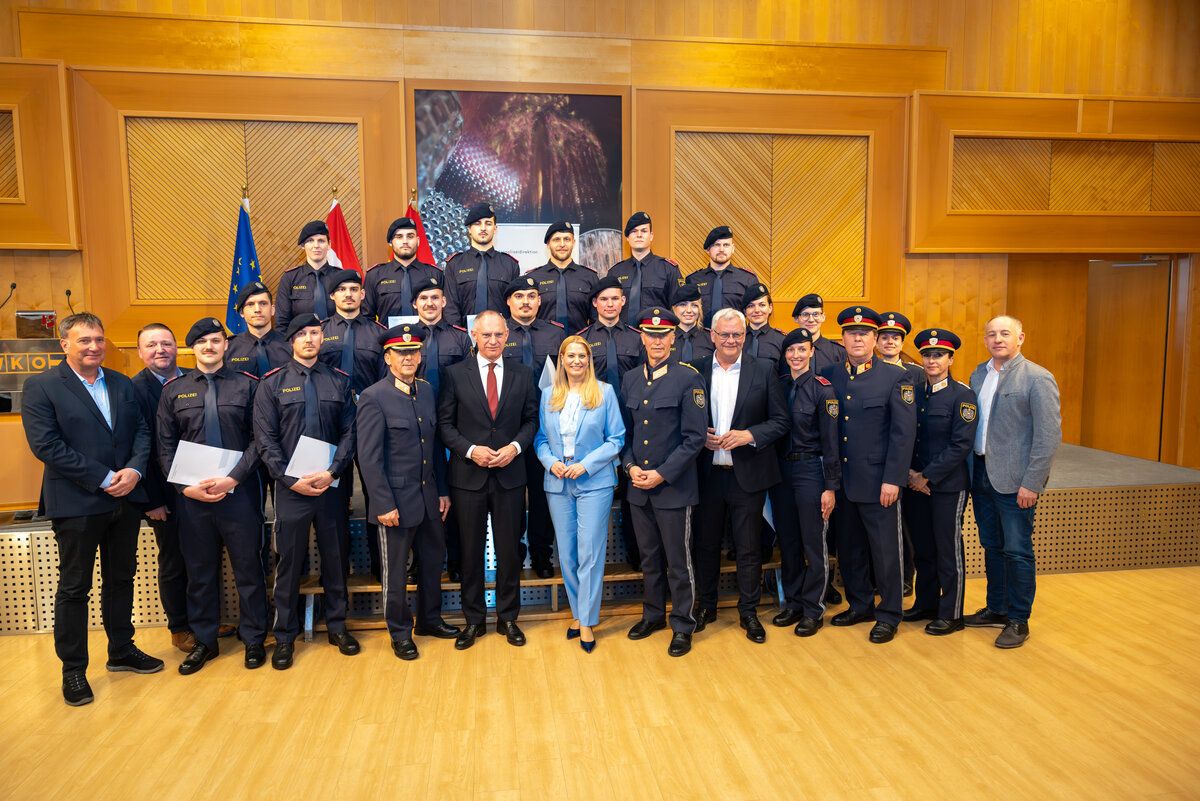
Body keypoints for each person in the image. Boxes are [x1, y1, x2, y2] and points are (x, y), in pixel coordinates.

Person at [21, 312, 161, 706]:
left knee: (121, 578)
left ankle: (122, 650)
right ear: (64, 344)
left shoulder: (120, 383)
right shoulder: (42, 386)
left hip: (125, 498)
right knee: (74, 588)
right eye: (84, 340)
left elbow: (142, 431)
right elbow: (46, 445)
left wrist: (134, 470)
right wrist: (104, 477)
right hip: (77, 502)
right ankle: (73, 670)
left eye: (98, 339)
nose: (94, 347)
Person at [156, 318, 268, 674]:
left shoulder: (248, 386)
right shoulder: (173, 391)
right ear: (192, 348)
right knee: (200, 572)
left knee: (249, 568)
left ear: (225, 345)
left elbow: (260, 440)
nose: (209, 347)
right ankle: (205, 640)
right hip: (192, 499)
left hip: (240, 494)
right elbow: (165, 446)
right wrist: (183, 487)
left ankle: (254, 638)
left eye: (216, 340)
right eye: (202, 342)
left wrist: (233, 478)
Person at [254, 313, 359, 669]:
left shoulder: (340, 381)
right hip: (292, 489)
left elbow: (350, 432)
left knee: (335, 558)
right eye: (302, 334)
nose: (310, 339)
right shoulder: (271, 384)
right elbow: (265, 439)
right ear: (291, 342)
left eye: (315, 333)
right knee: (288, 562)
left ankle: (338, 626)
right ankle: (285, 635)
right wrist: (288, 478)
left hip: (331, 486)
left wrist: (332, 472)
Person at [356, 324, 460, 661]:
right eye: (400, 353)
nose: (408, 358)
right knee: (396, 573)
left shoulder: (426, 391)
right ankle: (400, 632)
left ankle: (429, 620)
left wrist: (442, 491)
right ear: (388, 358)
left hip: (429, 499)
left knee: (432, 564)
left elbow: (435, 446)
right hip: (395, 504)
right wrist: (383, 503)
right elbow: (369, 458)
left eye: (413, 352)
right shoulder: (374, 397)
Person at [437, 310, 538, 650]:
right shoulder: (454, 374)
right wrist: (470, 450)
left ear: (507, 336)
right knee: (470, 552)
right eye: (486, 335)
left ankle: (508, 618)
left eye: (498, 335)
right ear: (474, 336)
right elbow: (445, 425)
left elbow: (531, 421)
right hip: (468, 478)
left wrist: (514, 448)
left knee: (509, 552)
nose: (493, 341)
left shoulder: (524, 374)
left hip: (510, 475)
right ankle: (474, 620)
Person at [690, 309, 789, 643]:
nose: (731, 340)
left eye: (737, 335)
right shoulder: (695, 370)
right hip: (707, 474)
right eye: (725, 334)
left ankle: (749, 612)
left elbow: (781, 421)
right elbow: (683, 418)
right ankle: (706, 607)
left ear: (745, 336)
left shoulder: (764, 369)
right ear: (712, 336)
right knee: (705, 545)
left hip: (748, 474)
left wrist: (749, 435)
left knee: (748, 548)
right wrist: (698, 437)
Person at [820, 306, 916, 644]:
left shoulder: (895, 377)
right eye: (851, 333)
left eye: (864, 333)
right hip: (843, 481)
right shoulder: (830, 374)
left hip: (879, 482)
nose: (857, 338)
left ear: (875, 339)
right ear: (842, 338)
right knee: (850, 549)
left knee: (886, 551)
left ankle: (889, 614)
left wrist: (894, 479)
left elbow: (903, 434)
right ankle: (860, 605)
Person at [965, 316, 1061, 649]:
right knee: (992, 545)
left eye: (1005, 333)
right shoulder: (978, 374)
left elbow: (1048, 436)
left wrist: (1032, 482)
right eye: (991, 334)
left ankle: (1019, 619)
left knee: (1017, 551)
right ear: (985, 340)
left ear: (1020, 338)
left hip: (1016, 481)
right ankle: (997, 608)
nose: (998, 339)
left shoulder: (1037, 377)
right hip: (981, 474)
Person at [620, 307, 707, 657]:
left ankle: (683, 624)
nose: (657, 341)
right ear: (642, 337)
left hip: (673, 488)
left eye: (663, 335)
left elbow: (694, 438)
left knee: (678, 562)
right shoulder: (630, 378)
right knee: (649, 558)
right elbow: (626, 434)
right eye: (651, 335)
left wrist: (662, 473)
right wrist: (630, 468)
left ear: (673, 338)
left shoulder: (688, 378)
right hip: (638, 487)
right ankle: (653, 615)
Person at [534, 336, 625, 652]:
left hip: (594, 482)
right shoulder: (549, 394)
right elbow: (540, 439)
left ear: (589, 360)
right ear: (561, 359)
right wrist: (551, 462)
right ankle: (578, 612)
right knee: (567, 554)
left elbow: (616, 439)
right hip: (558, 482)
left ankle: (586, 620)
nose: (576, 361)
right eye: (570, 356)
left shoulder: (604, 392)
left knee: (590, 552)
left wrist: (586, 465)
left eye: (581, 356)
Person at [902, 328, 977, 636]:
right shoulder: (914, 392)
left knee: (948, 550)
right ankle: (926, 603)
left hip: (947, 486)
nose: (932, 360)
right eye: (927, 355)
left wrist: (926, 476)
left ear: (950, 359)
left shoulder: (962, 395)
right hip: (915, 485)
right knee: (923, 549)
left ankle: (952, 613)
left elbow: (961, 445)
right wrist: (911, 474)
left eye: (938, 355)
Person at [319, 269, 386, 577]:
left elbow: (385, 379)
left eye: (353, 289)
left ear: (363, 294)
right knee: (334, 497)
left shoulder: (379, 332)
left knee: (376, 493)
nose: (348, 294)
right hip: (331, 426)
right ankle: (337, 568)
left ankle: (380, 566)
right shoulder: (319, 332)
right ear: (332, 296)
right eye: (342, 289)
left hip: (370, 422)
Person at [774, 328, 841, 636]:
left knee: (813, 542)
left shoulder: (823, 390)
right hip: (782, 473)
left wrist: (830, 487)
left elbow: (831, 442)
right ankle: (793, 603)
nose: (796, 355)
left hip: (811, 470)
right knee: (788, 541)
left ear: (812, 352)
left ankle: (813, 608)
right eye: (791, 350)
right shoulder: (779, 386)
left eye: (802, 349)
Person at [129, 323, 191, 653]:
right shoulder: (132, 390)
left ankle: (203, 619)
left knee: (202, 557)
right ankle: (179, 627)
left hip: (202, 488)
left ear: (176, 347)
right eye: (151, 345)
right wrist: (151, 500)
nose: (160, 350)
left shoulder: (195, 378)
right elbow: (139, 447)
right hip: (162, 495)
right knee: (173, 560)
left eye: (166, 343)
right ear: (140, 352)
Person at [409, 274, 473, 582]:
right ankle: (421, 562)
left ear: (444, 301)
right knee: (419, 493)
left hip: (453, 425)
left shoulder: (460, 338)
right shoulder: (405, 339)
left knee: (456, 493)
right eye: (424, 298)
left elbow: (470, 380)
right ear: (414, 304)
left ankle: (456, 559)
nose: (430, 303)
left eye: (435, 297)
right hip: (415, 425)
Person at [503, 274, 566, 577]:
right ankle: (514, 554)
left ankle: (542, 555)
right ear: (508, 302)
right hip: (510, 429)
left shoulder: (556, 334)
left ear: (540, 301)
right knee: (513, 497)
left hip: (547, 428)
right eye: (519, 296)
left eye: (531, 296)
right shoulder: (499, 333)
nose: (525, 302)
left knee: (543, 496)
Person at [578, 274, 643, 565]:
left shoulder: (637, 337)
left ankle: (635, 553)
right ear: (595, 303)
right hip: (595, 426)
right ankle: (594, 557)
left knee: (631, 491)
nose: (609, 304)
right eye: (603, 299)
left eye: (615, 298)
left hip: (631, 422)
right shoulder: (581, 339)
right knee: (596, 490)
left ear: (623, 301)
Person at [876, 310, 922, 597]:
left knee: (905, 525)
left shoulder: (915, 374)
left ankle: (906, 576)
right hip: (878, 460)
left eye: (896, 337)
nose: (890, 342)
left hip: (909, 461)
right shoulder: (866, 370)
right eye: (885, 337)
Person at [444, 203, 520, 325]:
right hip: (464, 334)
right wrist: (458, 335)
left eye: (488, 223)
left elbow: (516, 309)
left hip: (501, 334)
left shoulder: (510, 264)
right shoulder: (455, 264)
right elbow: (450, 309)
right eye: (477, 223)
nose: (483, 228)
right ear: (469, 229)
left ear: (495, 228)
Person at [607, 211, 682, 325]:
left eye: (644, 231)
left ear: (651, 236)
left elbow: (679, 307)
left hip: (657, 333)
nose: (639, 235)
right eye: (634, 231)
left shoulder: (668, 269)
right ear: (627, 238)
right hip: (622, 334)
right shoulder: (615, 272)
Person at [363, 216, 441, 325]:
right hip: (387, 336)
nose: (405, 241)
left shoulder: (435, 274)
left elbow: (445, 314)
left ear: (418, 241)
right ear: (391, 242)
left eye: (410, 236)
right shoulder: (375, 275)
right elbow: (366, 318)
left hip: (426, 335)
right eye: (399, 237)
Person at [527, 221, 598, 331]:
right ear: (548, 244)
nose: (562, 244)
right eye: (556, 239)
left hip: (579, 340)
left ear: (573, 242)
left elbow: (596, 320)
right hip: (543, 340)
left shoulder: (590, 277)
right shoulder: (533, 278)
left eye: (567, 239)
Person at [275, 220, 341, 333]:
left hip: (337, 341)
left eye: (321, 241)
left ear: (329, 245)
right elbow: (281, 323)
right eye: (310, 241)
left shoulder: (340, 277)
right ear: (303, 245)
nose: (316, 246)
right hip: (303, 341)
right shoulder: (290, 278)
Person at [685, 226, 758, 327]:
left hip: (734, 335)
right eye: (717, 245)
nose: (721, 249)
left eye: (726, 245)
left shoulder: (748, 279)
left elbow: (757, 312)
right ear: (708, 250)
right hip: (701, 334)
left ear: (733, 248)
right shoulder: (693, 280)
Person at [226, 282, 293, 378]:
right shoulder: (229, 348)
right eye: (250, 304)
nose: (257, 309)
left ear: (272, 310)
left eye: (263, 303)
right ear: (241, 312)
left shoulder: (290, 344)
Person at [792, 293, 846, 374]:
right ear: (796, 318)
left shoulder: (838, 352)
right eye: (805, 314)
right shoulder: (787, 352)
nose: (811, 320)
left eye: (816, 314)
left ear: (823, 317)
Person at [742, 283, 785, 369]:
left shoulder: (781, 340)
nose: (757, 310)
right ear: (745, 311)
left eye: (762, 305)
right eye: (751, 306)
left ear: (770, 308)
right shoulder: (735, 338)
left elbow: (785, 374)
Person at [669, 283, 713, 364]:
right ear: (674, 309)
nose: (689, 310)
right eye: (683, 305)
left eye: (694, 305)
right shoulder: (665, 338)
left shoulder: (711, 338)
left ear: (700, 309)